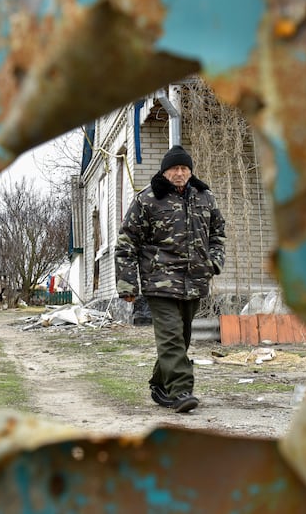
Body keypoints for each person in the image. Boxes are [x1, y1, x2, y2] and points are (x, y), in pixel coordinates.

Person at [115, 144, 226, 413]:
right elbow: (126, 244)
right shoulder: (147, 199)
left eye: (184, 168)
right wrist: (127, 285)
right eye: (174, 168)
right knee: (171, 338)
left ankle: (159, 385)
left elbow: (218, 233)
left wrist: (214, 262)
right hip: (159, 282)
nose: (179, 172)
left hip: (195, 281)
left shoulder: (204, 197)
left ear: (190, 171)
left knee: (182, 337)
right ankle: (181, 391)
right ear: (164, 172)